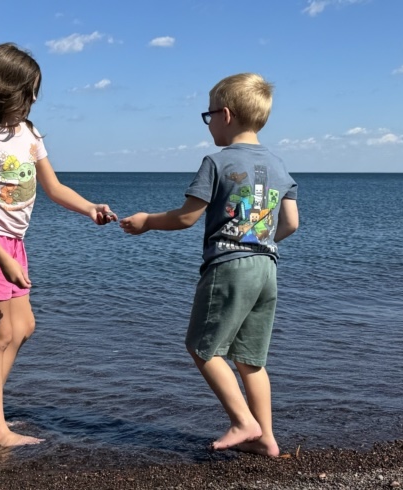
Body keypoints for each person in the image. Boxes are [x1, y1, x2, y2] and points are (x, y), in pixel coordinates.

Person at [119, 73, 299, 457]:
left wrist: (147, 221)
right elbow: (292, 223)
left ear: (227, 115)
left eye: (209, 115)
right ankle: (266, 438)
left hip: (229, 266)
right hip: (267, 269)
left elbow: (187, 217)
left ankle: (242, 421)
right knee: (251, 359)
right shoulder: (279, 164)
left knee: (202, 347)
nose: (209, 123)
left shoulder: (217, 162)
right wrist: (258, 242)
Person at [0, 43, 117, 447]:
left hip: (14, 243)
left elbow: (54, 187)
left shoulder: (29, 133)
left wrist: (89, 208)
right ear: (3, 89)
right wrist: (2, 258)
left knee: (24, 326)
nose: (35, 99)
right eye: (29, 90)